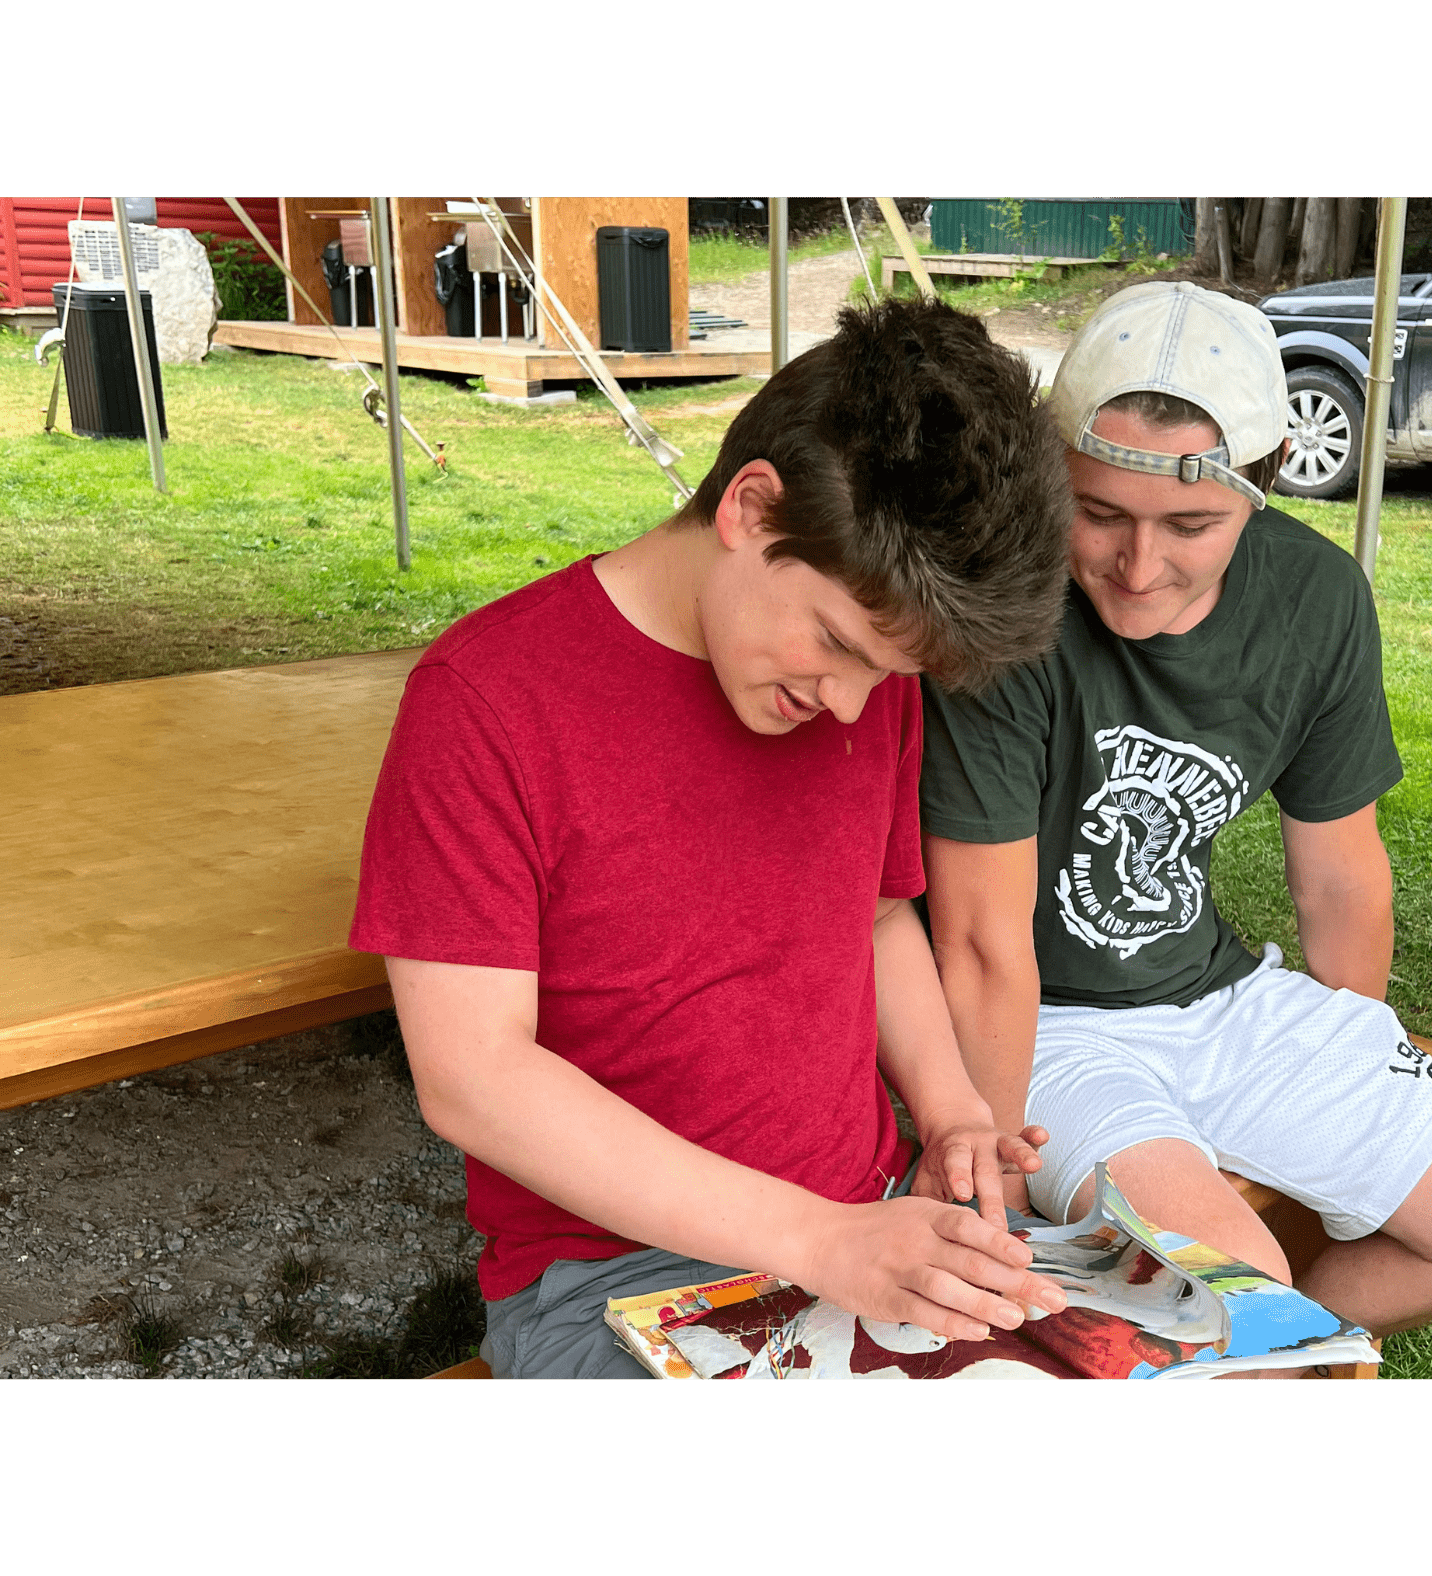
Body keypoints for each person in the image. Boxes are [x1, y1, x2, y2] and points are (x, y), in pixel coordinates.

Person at [350, 298, 1076, 1378]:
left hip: (864, 1220)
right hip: (610, 1281)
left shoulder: (863, 686)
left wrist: (949, 1106)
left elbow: (875, 916)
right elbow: (472, 1076)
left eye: (885, 672)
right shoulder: (487, 701)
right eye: (835, 644)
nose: (846, 705)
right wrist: (812, 1238)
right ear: (748, 506)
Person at [920, 282, 1432, 1359]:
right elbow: (983, 944)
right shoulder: (1008, 600)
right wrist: (987, 1170)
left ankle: (1257, 1353)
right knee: (1235, 1289)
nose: (1137, 566)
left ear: (1260, 489)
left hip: (1219, 994)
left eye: (1189, 524)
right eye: (1098, 512)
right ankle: (1236, 1351)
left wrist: (1344, 1060)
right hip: (1049, 1032)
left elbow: (1339, 878)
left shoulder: (1315, 599)